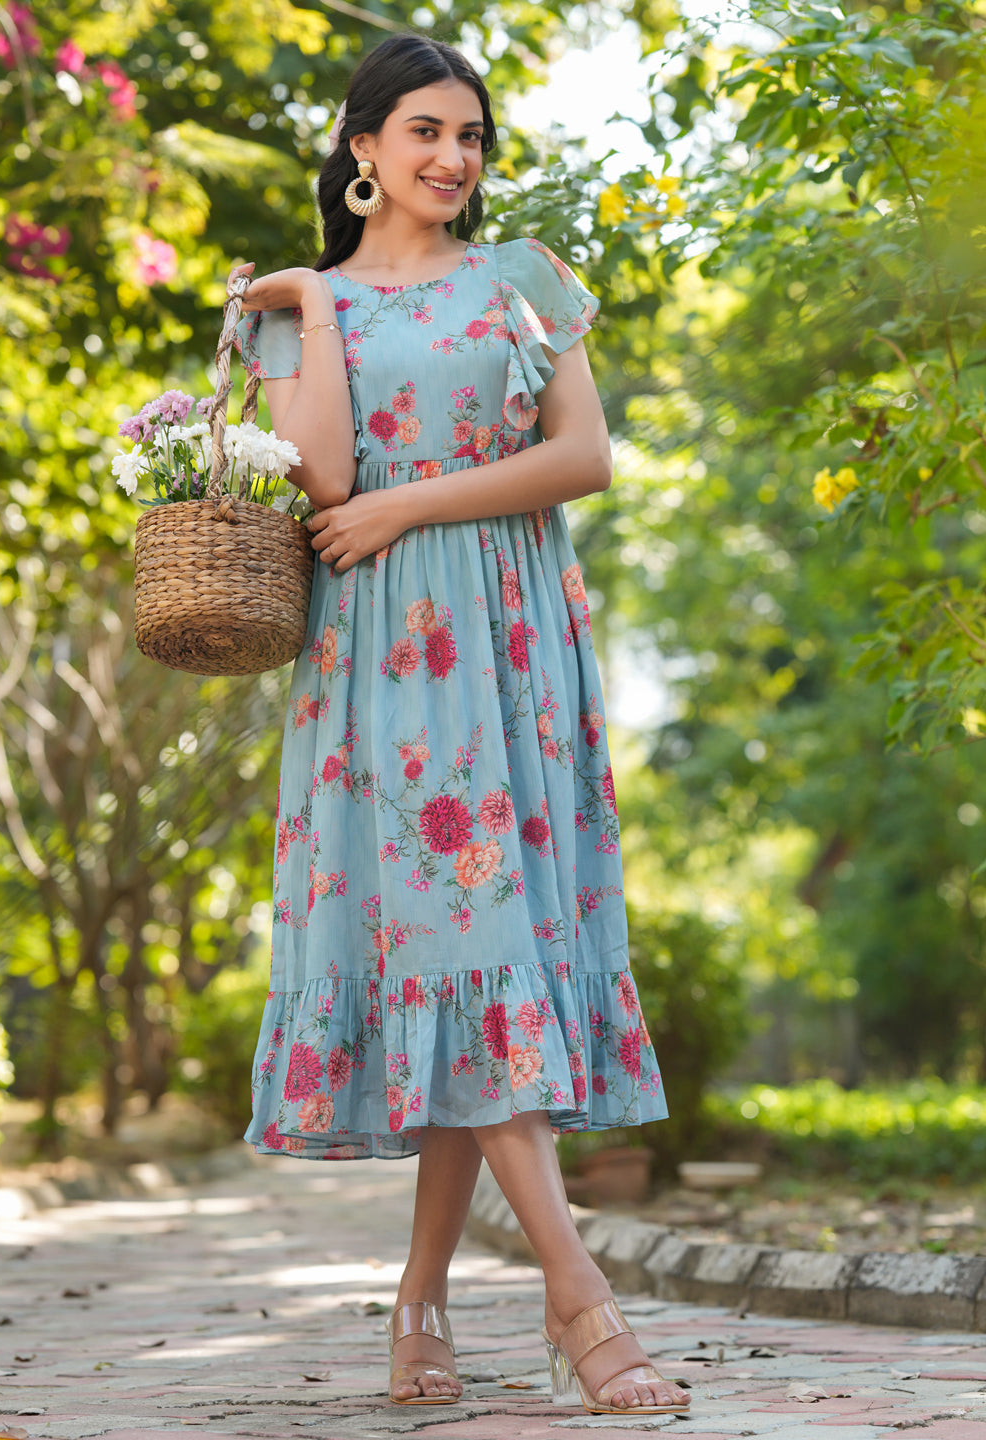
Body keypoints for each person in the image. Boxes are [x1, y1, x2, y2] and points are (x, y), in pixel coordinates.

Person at [230, 32, 690, 1420]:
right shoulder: (294, 310)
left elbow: (582, 457)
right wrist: (312, 308)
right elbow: (315, 474)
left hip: (509, 649)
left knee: (474, 963)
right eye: (423, 132)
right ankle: (580, 1303)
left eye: (471, 136)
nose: (451, 158)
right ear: (361, 148)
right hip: (375, 671)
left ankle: (423, 1306)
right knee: (453, 950)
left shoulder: (519, 280)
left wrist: (411, 503)